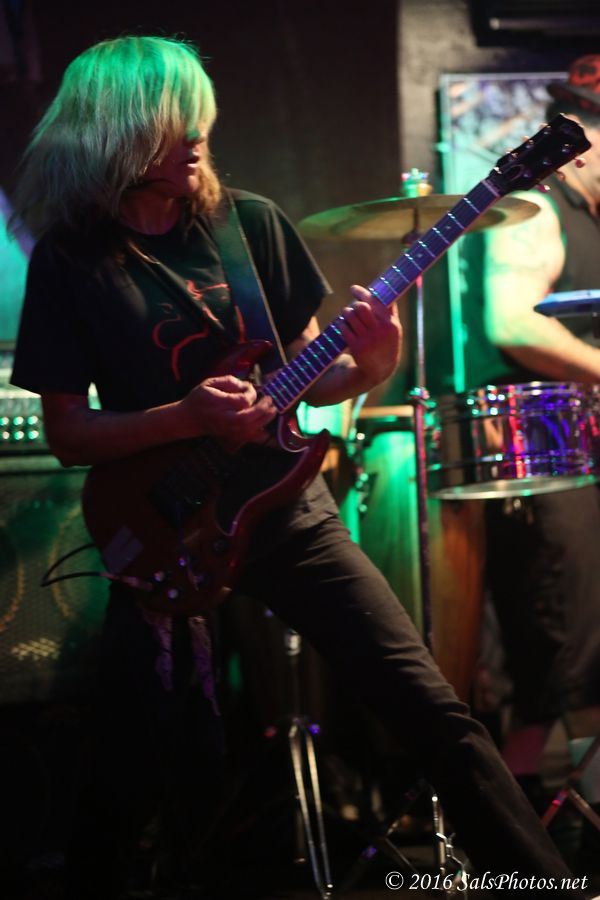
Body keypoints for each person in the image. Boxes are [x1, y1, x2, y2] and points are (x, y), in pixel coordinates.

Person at [8, 34, 594, 900]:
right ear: (115, 134)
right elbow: (68, 433)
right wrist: (185, 418)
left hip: (284, 510)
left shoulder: (248, 225)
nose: (197, 138)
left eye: (199, 120)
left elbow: (319, 373)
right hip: (160, 517)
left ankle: (540, 885)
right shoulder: (70, 259)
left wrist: (375, 360)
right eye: (173, 125)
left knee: (433, 711)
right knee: (139, 755)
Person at [480, 55, 600, 813]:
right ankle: (531, 833)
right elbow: (511, 320)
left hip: (582, 457)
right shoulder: (536, 208)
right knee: (562, 663)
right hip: (548, 456)